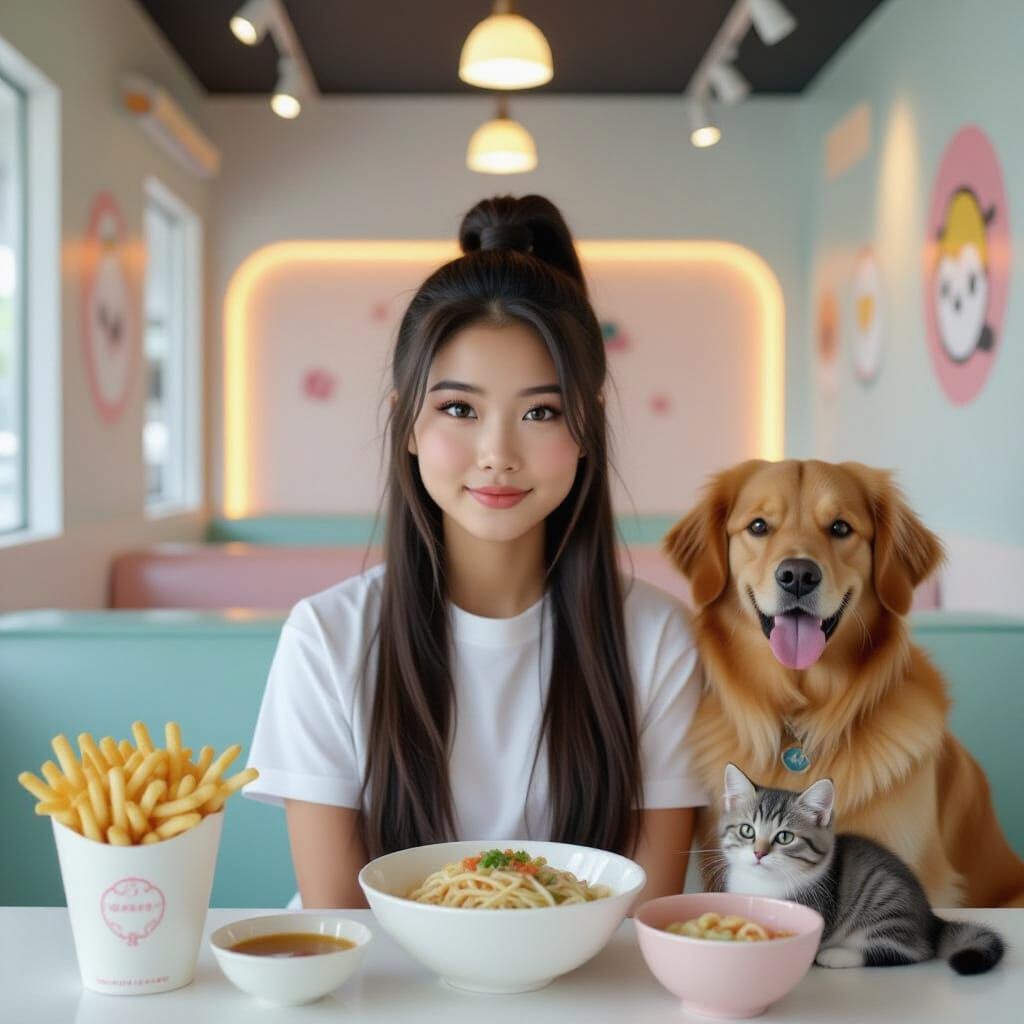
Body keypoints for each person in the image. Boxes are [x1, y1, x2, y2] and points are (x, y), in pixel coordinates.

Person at [243, 194, 706, 908]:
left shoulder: (657, 638)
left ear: (587, 429)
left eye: (540, 412)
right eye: (459, 409)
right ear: (406, 423)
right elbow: (341, 917)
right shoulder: (327, 637)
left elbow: (642, 915)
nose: (497, 454)